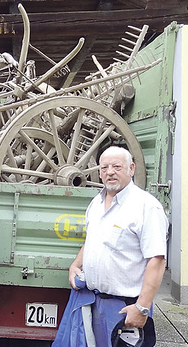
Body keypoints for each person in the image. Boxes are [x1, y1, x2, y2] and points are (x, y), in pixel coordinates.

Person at [55, 146, 168, 347]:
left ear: (131, 169)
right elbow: (93, 241)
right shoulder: (96, 204)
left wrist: (142, 308)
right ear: (99, 173)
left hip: (125, 308)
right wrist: (76, 264)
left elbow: (157, 261)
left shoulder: (147, 207)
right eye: (105, 167)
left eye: (117, 167)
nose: (110, 172)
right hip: (93, 303)